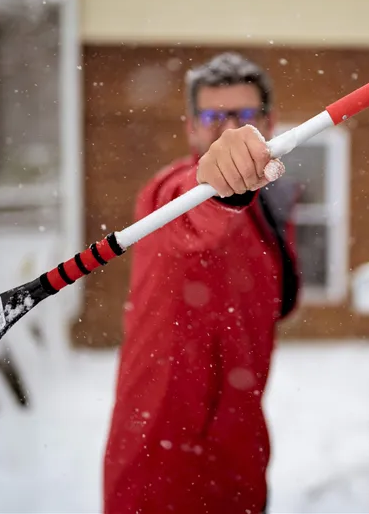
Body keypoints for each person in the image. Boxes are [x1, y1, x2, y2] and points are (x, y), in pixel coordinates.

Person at [103, 52, 301, 514]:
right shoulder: (171, 196)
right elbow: (190, 211)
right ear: (191, 127)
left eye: (244, 116)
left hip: (241, 461)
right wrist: (218, 193)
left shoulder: (269, 211)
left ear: (269, 123)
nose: (228, 131)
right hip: (159, 470)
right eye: (213, 117)